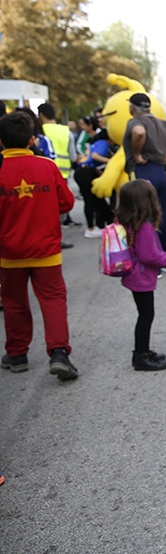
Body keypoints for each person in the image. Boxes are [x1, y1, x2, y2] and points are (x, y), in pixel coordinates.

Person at [0, 110, 79, 380]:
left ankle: (17, 353)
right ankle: (59, 352)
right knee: (53, 299)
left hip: (9, 253)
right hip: (46, 251)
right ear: (32, 139)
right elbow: (67, 203)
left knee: (13, 302)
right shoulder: (47, 166)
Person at [116, 179, 166, 372]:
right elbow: (148, 254)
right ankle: (140, 355)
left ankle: (143, 351)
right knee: (146, 315)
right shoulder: (144, 227)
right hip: (141, 277)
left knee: (144, 314)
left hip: (133, 275)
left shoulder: (126, 222)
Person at [122, 92, 166, 262]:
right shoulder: (160, 123)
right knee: (162, 214)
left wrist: (137, 154)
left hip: (143, 171)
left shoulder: (135, 121)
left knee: (143, 216)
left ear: (132, 107)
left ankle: (152, 260)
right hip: (160, 171)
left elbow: (139, 132)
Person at [75, 117, 114, 238]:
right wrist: (111, 161)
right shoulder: (104, 143)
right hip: (85, 172)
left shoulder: (96, 143)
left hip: (83, 170)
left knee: (97, 199)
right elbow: (96, 156)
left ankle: (101, 224)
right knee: (90, 200)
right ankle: (91, 228)